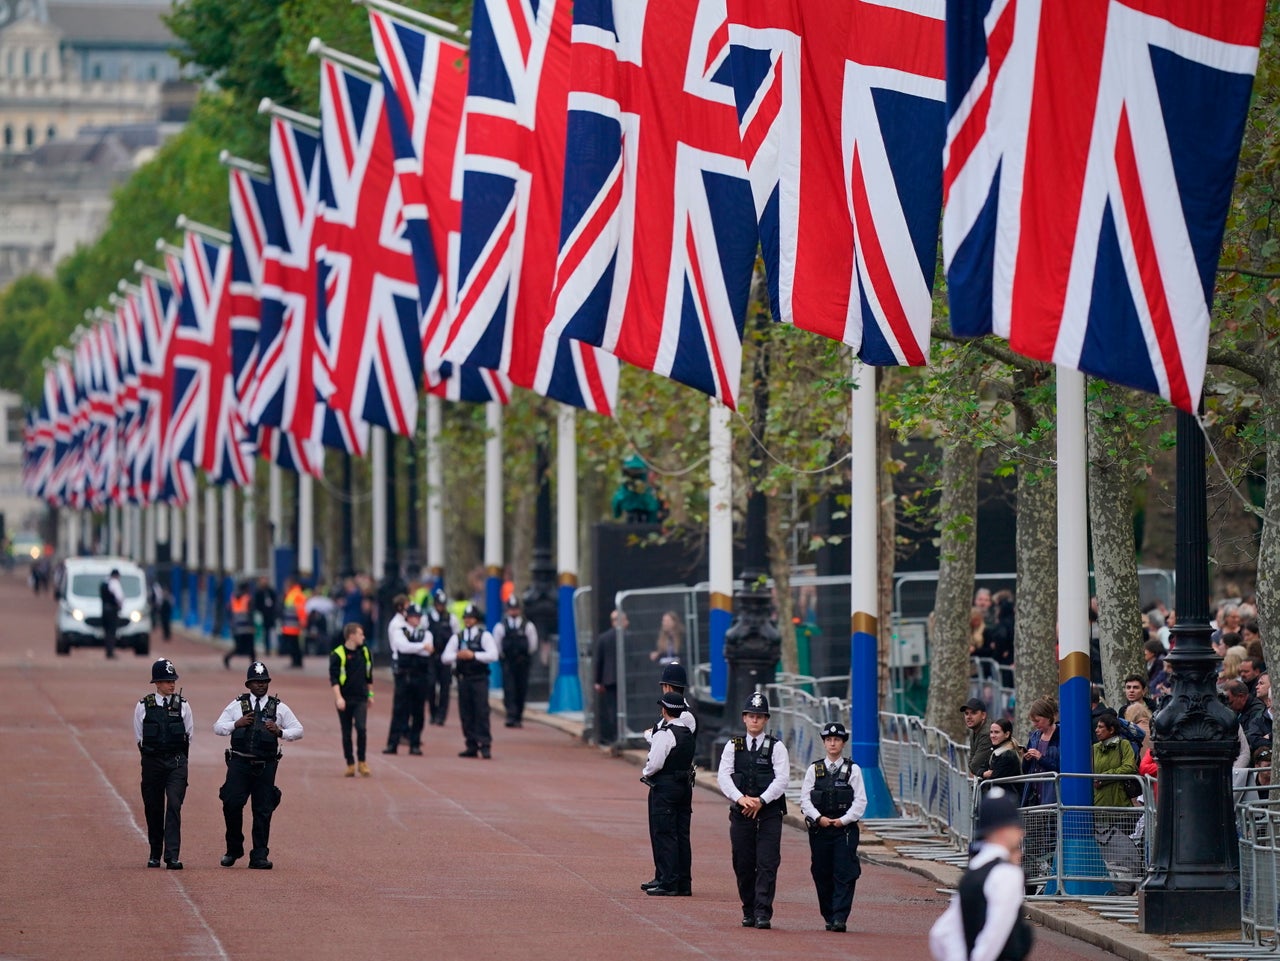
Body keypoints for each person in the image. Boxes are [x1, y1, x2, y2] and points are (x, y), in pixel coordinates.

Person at [213, 661, 304, 869]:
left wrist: (281, 732)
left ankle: (259, 855)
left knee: (263, 809)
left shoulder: (278, 707)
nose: (261, 685)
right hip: (239, 763)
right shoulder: (237, 705)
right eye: (256, 682)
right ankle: (234, 848)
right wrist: (236, 724)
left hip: (266, 765)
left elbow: (299, 730)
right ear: (248, 684)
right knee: (231, 803)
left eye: (264, 682)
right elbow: (217, 727)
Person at [928, 787, 1033, 961]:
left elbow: (940, 934)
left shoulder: (974, 869)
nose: (1022, 832)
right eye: (1016, 826)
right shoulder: (1007, 873)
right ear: (1002, 830)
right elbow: (995, 933)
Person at [717, 691, 790, 929]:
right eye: (751, 715)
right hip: (742, 813)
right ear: (744, 718)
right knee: (743, 863)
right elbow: (723, 776)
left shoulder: (777, 747)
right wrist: (741, 799)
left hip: (769, 814)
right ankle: (748, 909)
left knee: (768, 863)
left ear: (766, 719)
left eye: (760, 716)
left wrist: (761, 800)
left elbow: (782, 779)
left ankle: (762, 913)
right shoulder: (733, 745)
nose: (755, 720)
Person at [799, 721, 867, 933]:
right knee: (821, 872)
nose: (832, 743)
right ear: (824, 742)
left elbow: (860, 801)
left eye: (837, 740)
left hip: (844, 831)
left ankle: (840, 917)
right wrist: (819, 818)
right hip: (820, 829)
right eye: (829, 740)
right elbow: (804, 800)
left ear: (843, 743)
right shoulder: (814, 769)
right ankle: (828, 914)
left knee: (844, 872)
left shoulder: (853, 769)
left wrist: (843, 820)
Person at [134, 657, 193, 869]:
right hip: (152, 763)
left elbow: (189, 735)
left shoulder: (184, 706)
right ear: (157, 683)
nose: (172, 684)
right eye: (167, 681)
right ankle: (154, 852)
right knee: (153, 807)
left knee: (175, 805)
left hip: (176, 763)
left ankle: (172, 855)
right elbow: (139, 738)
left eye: (173, 680)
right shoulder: (143, 706)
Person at [639, 690, 696, 897]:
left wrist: (645, 772)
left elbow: (654, 763)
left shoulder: (665, 733)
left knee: (664, 833)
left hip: (665, 786)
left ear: (664, 710)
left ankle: (667, 881)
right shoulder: (687, 732)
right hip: (684, 786)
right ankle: (683, 881)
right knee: (681, 834)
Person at [441, 604, 498, 758]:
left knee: (481, 711)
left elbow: (493, 655)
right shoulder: (458, 637)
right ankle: (471, 743)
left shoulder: (484, 636)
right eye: (466, 618)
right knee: (466, 713)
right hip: (463, 679)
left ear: (476, 620)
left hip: (479, 679)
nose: (468, 621)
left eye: (471, 618)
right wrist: (459, 655)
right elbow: (445, 657)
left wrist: (474, 655)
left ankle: (485, 744)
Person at [384, 604, 432, 755]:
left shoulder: (426, 633)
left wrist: (418, 647)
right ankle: (392, 743)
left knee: (418, 711)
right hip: (404, 676)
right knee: (399, 710)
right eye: (413, 616)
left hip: (420, 676)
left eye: (418, 616)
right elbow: (402, 647)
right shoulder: (400, 631)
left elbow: (427, 652)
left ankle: (415, 744)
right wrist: (421, 647)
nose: (416, 619)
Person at [330, 623, 373, 777]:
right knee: (346, 732)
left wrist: (371, 695)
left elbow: (369, 676)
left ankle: (362, 761)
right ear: (351, 636)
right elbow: (334, 679)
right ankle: (350, 762)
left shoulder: (365, 652)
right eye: (360, 634)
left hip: (360, 697)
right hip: (345, 698)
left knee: (361, 729)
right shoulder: (338, 654)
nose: (363, 637)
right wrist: (338, 698)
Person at [493, 595, 538, 728]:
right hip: (508, 661)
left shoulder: (528, 626)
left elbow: (533, 644)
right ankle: (511, 715)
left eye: (515, 609)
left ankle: (518, 715)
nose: (513, 612)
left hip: (523, 662)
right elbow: (497, 644)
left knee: (521, 688)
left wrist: (524, 656)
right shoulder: (501, 626)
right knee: (509, 688)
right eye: (511, 609)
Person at [592, 609, 625, 748]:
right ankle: (621, 735)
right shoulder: (627, 636)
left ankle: (614, 736)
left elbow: (599, 661)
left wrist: (598, 681)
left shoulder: (603, 638)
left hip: (609, 679)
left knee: (612, 709)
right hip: (625, 680)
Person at [425, 589, 456, 726]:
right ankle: (433, 712)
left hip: (445, 656)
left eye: (442, 604)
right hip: (431, 656)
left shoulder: (451, 619)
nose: (440, 607)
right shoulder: (427, 619)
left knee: (445, 687)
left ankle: (441, 716)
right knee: (430, 685)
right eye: (438, 604)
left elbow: (456, 637)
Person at [224, 580, 256, 671]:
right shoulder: (248, 598)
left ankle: (227, 657)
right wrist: (252, 625)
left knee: (239, 647)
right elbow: (251, 613)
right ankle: (253, 665)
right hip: (247, 626)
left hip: (237, 626)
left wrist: (231, 622)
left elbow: (228, 610)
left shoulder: (234, 598)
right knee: (250, 647)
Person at [279, 577, 307, 669]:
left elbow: (300, 609)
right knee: (294, 644)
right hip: (290, 624)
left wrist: (302, 621)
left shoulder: (295, 594)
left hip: (293, 624)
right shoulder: (292, 593)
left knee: (294, 645)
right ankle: (296, 661)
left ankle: (297, 662)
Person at [961, 698, 993, 778]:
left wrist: (974, 769)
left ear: (983, 715)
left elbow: (975, 765)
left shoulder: (987, 733)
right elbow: (972, 759)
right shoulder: (973, 730)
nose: (969, 717)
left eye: (973, 713)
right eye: (966, 713)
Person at [100, 567, 124, 659]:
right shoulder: (115, 583)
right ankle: (110, 651)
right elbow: (119, 597)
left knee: (106, 632)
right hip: (112, 610)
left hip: (104, 610)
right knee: (112, 631)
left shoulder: (104, 583)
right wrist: (120, 606)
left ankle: (108, 650)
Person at [253, 576, 278, 656]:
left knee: (272, 632)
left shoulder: (271, 591)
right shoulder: (259, 592)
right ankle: (266, 648)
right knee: (264, 633)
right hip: (263, 615)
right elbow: (256, 604)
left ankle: (274, 648)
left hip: (271, 615)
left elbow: (275, 601)